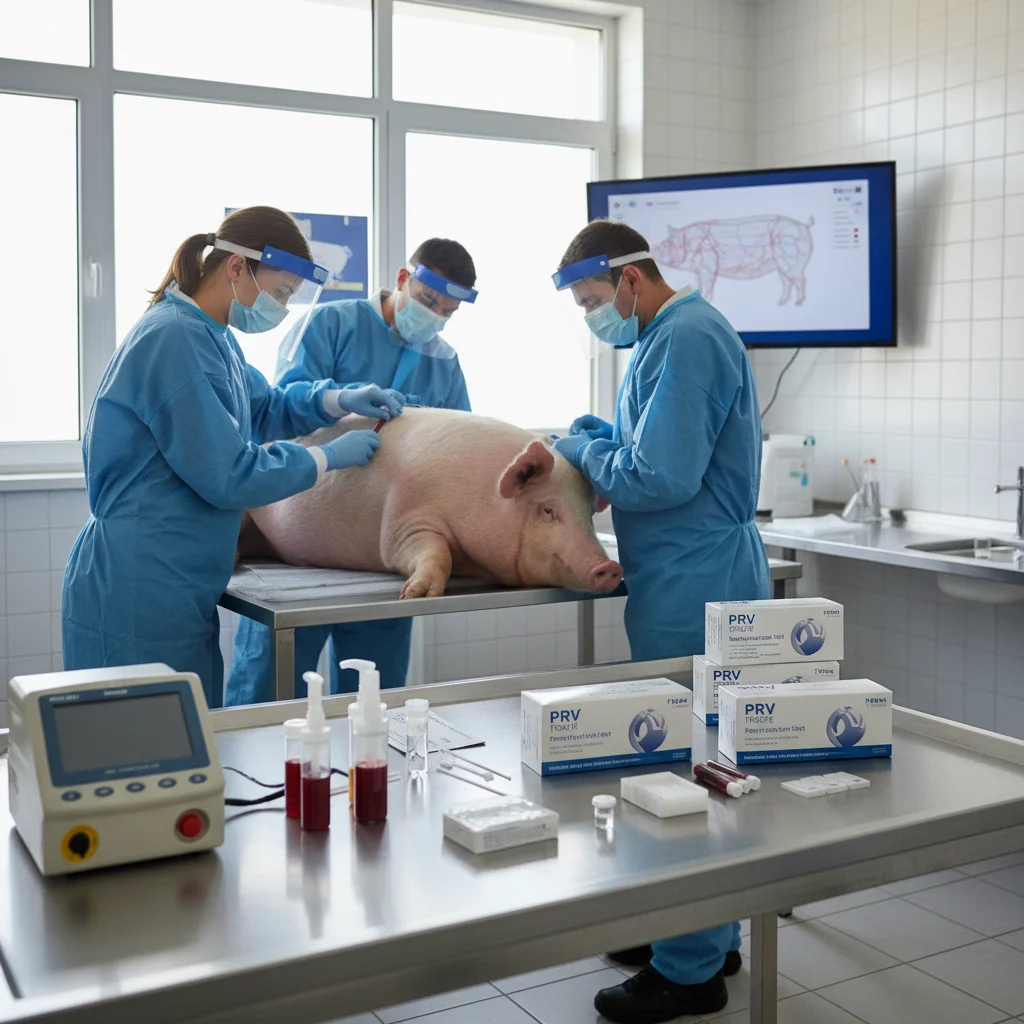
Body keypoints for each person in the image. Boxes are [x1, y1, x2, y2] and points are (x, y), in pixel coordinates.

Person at [551, 219, 769, 1023]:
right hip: (680, 575)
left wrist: (585, 449)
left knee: (692, 769)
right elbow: (649, 446)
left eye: (593, 301)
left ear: (632, 281)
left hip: (699, 577)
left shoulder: (688, 338)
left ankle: (689, 970)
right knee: (694, 756)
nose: (592, 317)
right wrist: (598, 438)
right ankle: (704, 930)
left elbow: (661, 476)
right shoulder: (665, 339)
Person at [62, 207, 410, 710]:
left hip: (176, 584)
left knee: (188, 747)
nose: (283, 307)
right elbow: (229, 474)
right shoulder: (173, 338)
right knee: (139, 753)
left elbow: (264, 406)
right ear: (236, 269)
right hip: (139, 586)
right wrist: (326, 459)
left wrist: (337, 400)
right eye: (282, 292)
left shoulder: (213, 337)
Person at [225, 239, 477, 705]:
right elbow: (282, 409)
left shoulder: (444, 362)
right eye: (426, 300)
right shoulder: (331, 324)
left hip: (381, 553)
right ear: (402, 280)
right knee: (267, 698)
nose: (434, 315)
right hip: (301, 537)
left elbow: (457, 449)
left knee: (371, 705)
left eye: (446, 311)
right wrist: (343, 410)